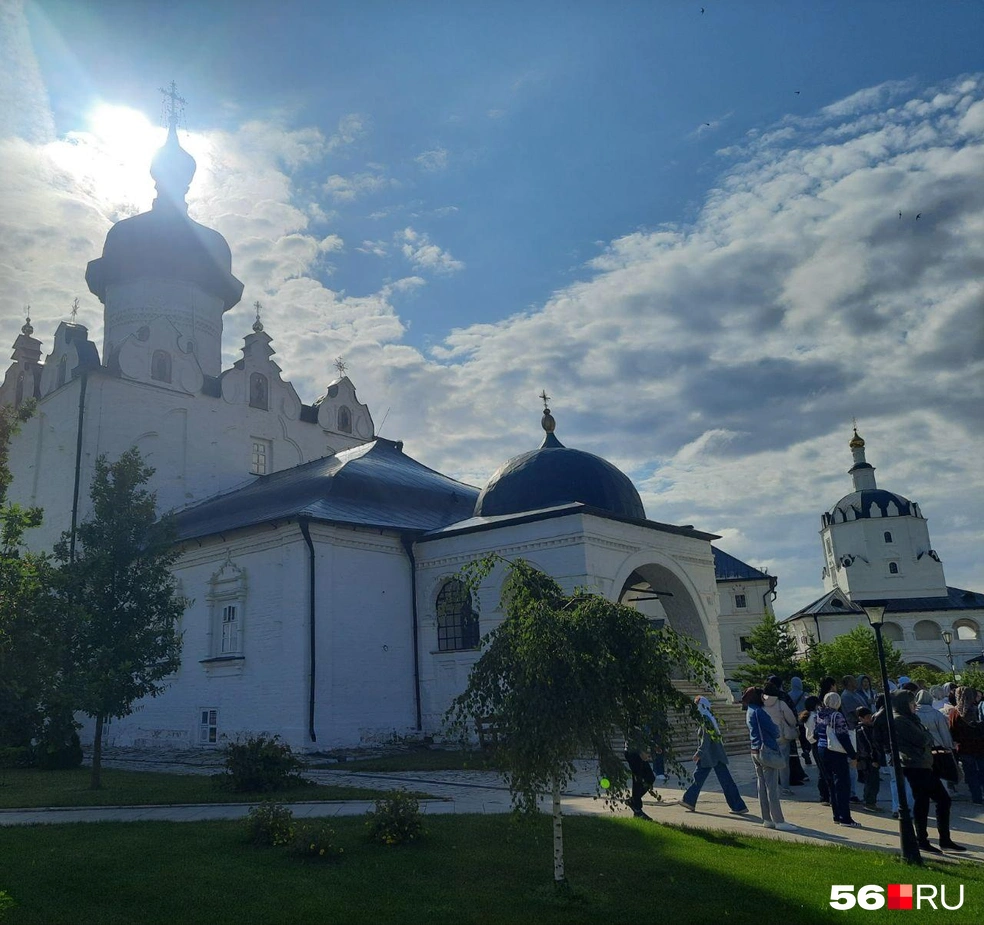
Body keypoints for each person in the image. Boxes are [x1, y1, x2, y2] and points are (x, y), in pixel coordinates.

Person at [894, 689, 966, 853]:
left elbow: (926, 736)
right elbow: (923, 739)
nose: (915, 706)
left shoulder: (912, 718)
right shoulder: (901, 720)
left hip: (926, 763)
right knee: (923, 802)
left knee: (942, 800)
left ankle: (944, 840)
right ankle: (922, 840)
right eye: (912, 703)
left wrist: (925, 734)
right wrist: (925, 735)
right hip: (915, 765)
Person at [681, 697, 749, 815]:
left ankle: (689, 800)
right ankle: (738, 805)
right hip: (714, 754)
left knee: (704, 778)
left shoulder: (705, 718)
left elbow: (706, 738)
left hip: (710, 755)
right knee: (722, 780)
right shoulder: (707, 716)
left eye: (696, 705)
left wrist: (699, 752)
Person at [743, 687, 796, 831]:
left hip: (755, 750)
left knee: (761, 787)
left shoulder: (750, 711)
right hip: (766, 750)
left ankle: (767, 818)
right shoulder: (760, 712)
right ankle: (778, 820)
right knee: (772, 788)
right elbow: (775, 731)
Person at [815, 692, 860, 827]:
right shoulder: (837, 715)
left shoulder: (820, 714)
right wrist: (853, 754)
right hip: (836, 751)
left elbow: (816, 732)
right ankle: (845, 817)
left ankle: (836, 815)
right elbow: (843, 737)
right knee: (842, 784)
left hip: (821, 749)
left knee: (831, 784)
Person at [949, 686, 984, 806]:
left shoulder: (954, 712)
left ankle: (976, 797)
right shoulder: (975, 710)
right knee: (982, 771)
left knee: (970, 773)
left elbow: (952, 730)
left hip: (964, 747)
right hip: (980, 746)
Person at [763, 681, 800, 793]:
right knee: (784, 764)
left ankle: (771, 787)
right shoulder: (780, 703)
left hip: (768, 737)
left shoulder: (761, 705)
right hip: (782, 736)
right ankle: (785, 787)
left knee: (769, 764)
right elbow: (791, 719)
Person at [855, 707, 884, 811]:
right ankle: (869, 802)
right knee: (871, 781)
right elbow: (867, 746)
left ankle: (871, 802)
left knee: (873, 781)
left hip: (869, 759)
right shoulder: (862, 730)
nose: (870, 719)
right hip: (867, 760)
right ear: (861, 718)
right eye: (867, 717)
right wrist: (874, 759)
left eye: (870, 716)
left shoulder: (869, 728)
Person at [624, 727, 656, 819]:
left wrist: (654, 745)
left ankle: (633, 801)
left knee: (650, 778)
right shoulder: (635, 716)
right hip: (633, 752)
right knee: (637, 780)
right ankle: (638, 810)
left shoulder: (646, 716)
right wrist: (641, 752)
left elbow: (644, 737)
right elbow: (632, 737)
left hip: (637, 752)